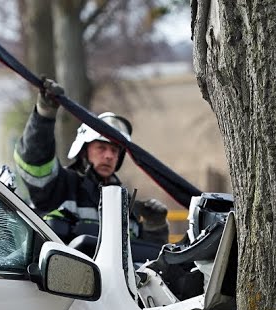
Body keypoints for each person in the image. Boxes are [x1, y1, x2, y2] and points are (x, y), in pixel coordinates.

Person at [12, 77, 170, 260]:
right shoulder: (59, 186)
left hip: (116, 288)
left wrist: (155, 226)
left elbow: (150, 261)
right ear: (84, 151)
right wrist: (44, 115)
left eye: (114, 150)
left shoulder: (126, 205)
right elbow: (34, 160)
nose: (109, 155)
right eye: (101, 148)